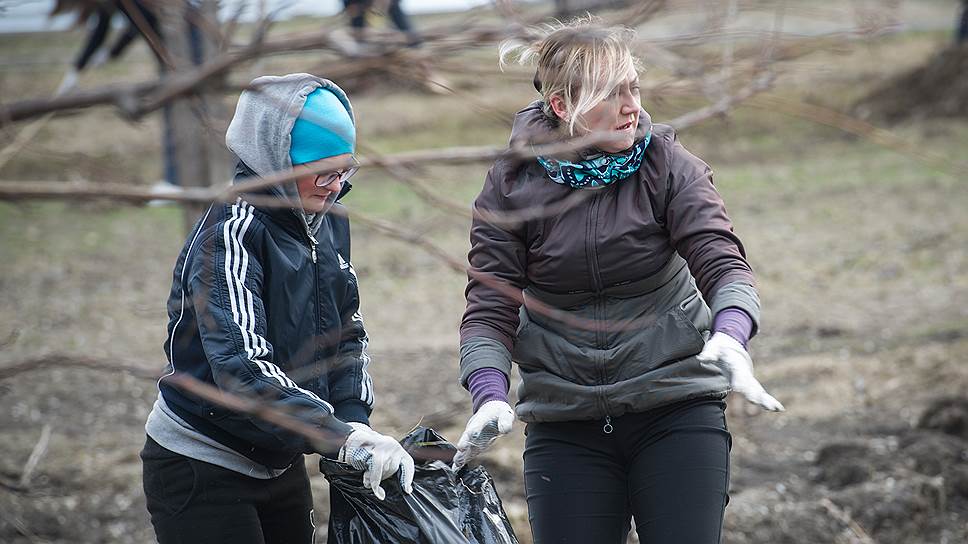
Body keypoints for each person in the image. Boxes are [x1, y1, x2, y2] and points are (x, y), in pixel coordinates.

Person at [452, 18, 784, 543]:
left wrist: (732, 333)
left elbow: (723, 263)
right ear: (563, 107)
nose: (634, 106)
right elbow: (489, 309)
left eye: (635, 87)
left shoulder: (668, 165)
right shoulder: (510, 185)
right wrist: (490, 394)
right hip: (565, 423)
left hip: (675, 405)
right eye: (614, 93)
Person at [141, 73, 414, 544]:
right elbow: (244, 370)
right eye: (322, 173)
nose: (335, 187)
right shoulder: (230, 237)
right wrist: (338, 437)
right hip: (202, 462)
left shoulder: (325, 221)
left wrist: (355, 421)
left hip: (279, 456)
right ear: (278, 162)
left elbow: (346, 334)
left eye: (345, 170)